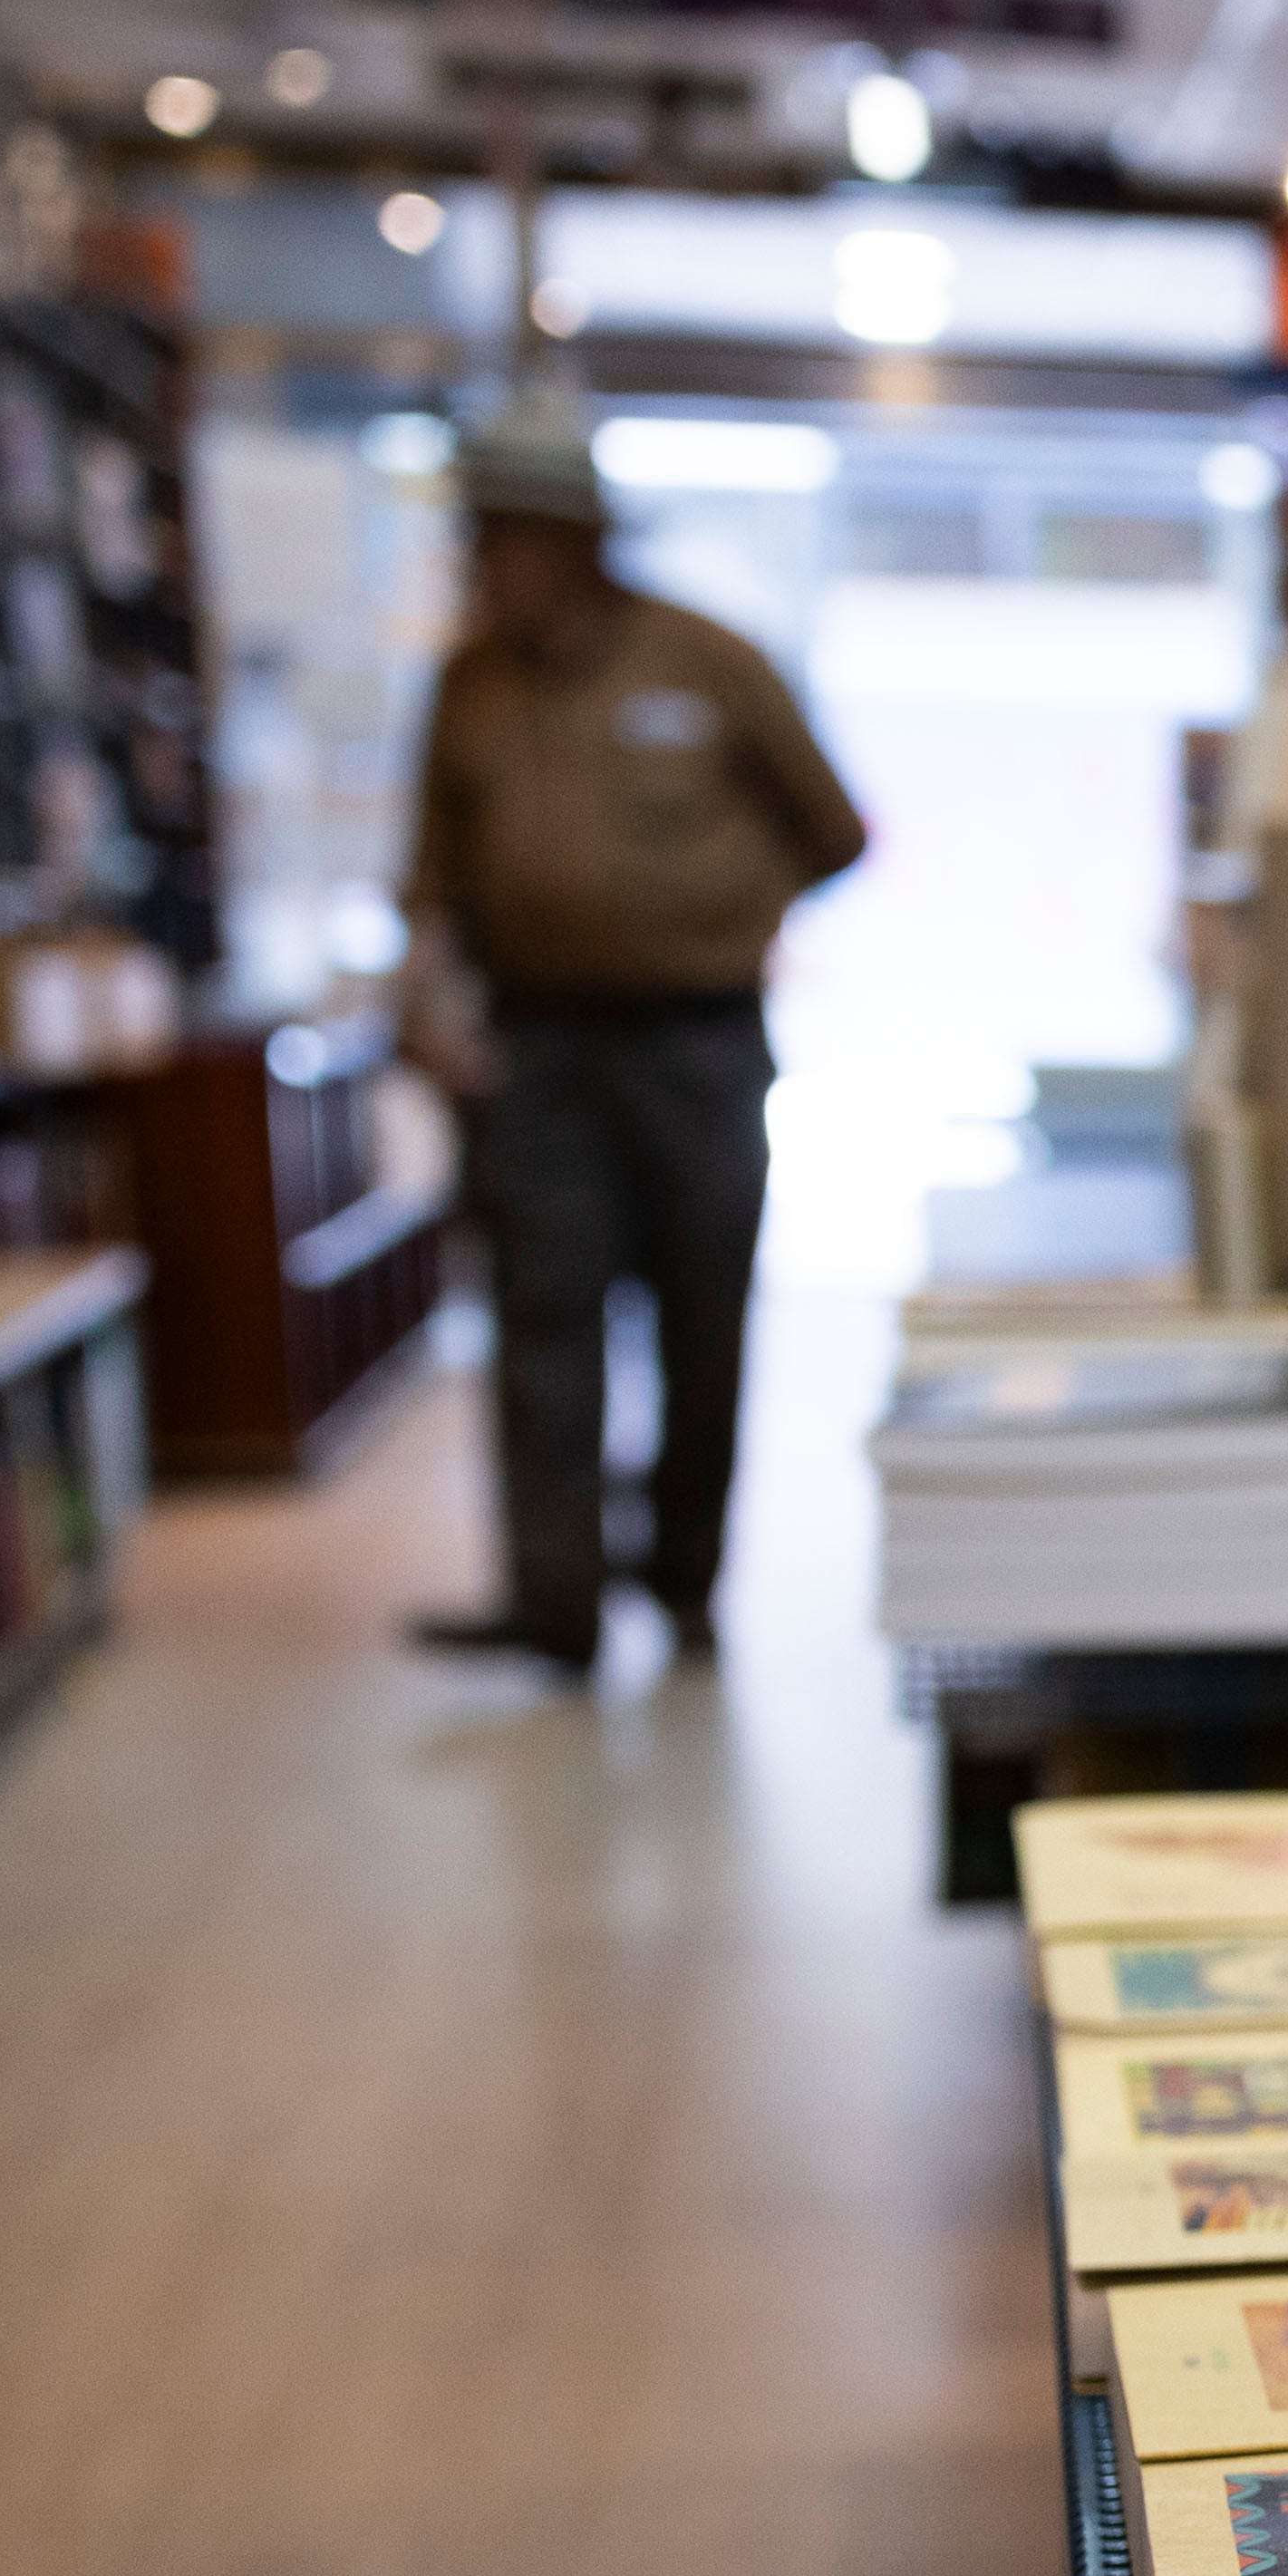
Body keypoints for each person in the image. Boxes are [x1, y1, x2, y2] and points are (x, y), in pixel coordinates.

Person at [395, 398, 870, 1667]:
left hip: (696, 1048)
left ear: (576, 541)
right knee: (543, 1323)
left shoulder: (708, 659)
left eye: (507, 538)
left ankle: (685, 1583)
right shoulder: (465, 685)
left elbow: (837, 831)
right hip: (538, 1051)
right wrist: (423, 1004)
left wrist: (727, 913)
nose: (486, 563)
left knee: (701, 1318)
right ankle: (553, 1603)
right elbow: (428, 881)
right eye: (476, 538)